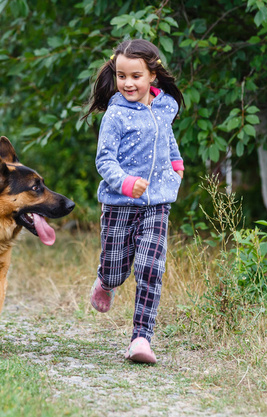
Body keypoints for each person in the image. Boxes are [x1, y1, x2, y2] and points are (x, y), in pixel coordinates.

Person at [84, 39, 184, 364]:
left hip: (158, 202)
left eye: (136, 76)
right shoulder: (115, 115)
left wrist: (177, 165)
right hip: (119, 203)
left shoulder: (164, 106)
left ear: (152, 75)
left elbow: (166, 139)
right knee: (117, 268)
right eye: (122, 76)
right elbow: (104, 160)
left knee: (149, 267)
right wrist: (126, 183)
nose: (128, 83)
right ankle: (105, 281)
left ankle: (141, 338)